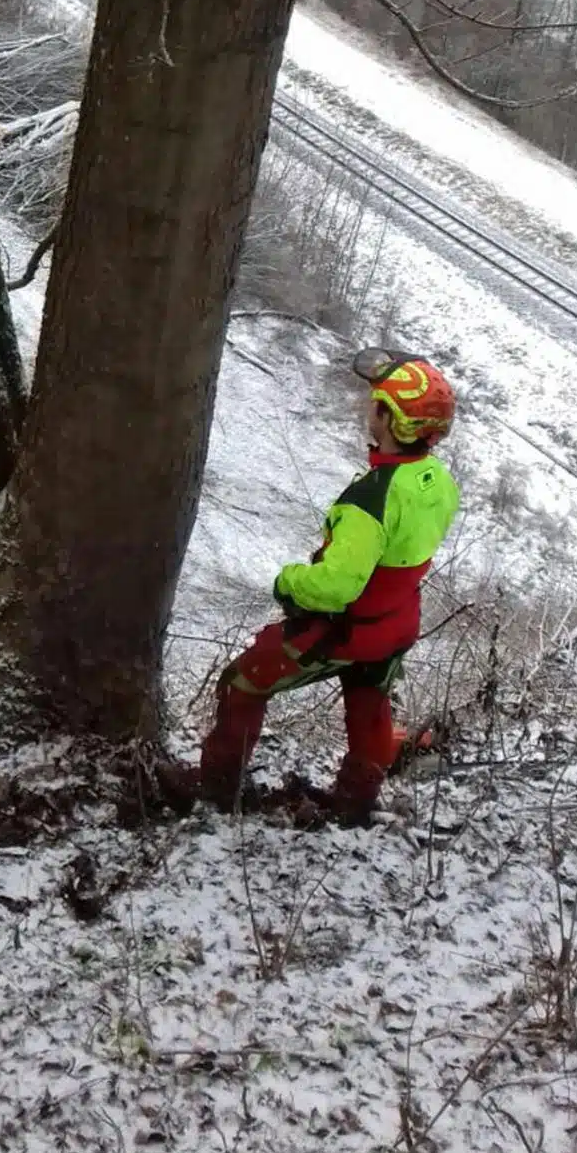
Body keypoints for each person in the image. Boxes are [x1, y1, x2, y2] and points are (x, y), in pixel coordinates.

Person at [199, 349, 460, 823]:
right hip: (397, 622)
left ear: (389, 419)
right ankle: (354, 805)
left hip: (345, 629)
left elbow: (336, 586)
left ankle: (214, 793)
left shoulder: (370, 499)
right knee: (370, 707)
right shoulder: (438, 480)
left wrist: (289, 581)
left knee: (243, 681)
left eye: (376, 403)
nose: (368, 408)